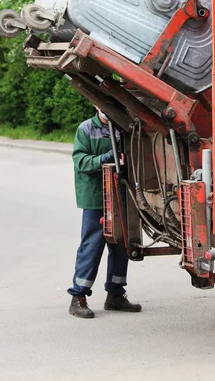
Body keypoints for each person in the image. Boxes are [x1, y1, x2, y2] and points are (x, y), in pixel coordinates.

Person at [68, 107, 142, 318]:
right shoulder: (86, 129)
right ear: (95, 105)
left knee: (121, 245)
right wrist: (104, 159)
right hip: (96, 198)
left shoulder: (122, 127)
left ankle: (115, 296)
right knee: (92, 246)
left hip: (120, 196)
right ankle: (78, 297)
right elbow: (80, 161)